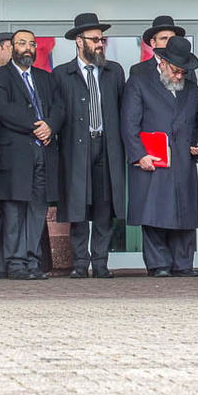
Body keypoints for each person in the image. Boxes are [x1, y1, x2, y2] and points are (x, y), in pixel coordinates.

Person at [122, 35, 198, 276]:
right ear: (163, 62)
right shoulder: (139, 82)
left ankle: (183, 264)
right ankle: (158, 265)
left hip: (182, 160)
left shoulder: (190, 88)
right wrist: (139, 155)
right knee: (155, 213)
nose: (180, 76)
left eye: (184, 71)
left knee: (184, 212)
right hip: (153, 158)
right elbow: (129, 124)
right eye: (176, 70)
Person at [53, 14, 127, 278]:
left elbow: (123, 110)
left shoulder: (114, 71)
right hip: (76, 149)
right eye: (94, 39)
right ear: (78, 41)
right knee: (79, 206)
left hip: (107, 147)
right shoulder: (62, 73)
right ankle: (80, 263)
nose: (99, 44)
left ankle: (102, 262)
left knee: (105, 206)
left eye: (101, 39)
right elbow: (57, 113)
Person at [0, 29, 64, 279]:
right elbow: (4, 110)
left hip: (44, 154)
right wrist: (37, 125)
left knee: (36, 210)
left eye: (32, 43)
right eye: (22, 43)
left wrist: (50, 124)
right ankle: (15, 263)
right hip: (14, 157)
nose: (28, 48)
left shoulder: (45, 77)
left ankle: (33, 261)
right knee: (14, 212)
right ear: (11, 47)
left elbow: (59, 106)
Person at [131, 16, 186, 84]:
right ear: (153, 43)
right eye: (164, 38)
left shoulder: (186, 68)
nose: (169, 42)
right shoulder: (138, 70)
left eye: (172, 39)